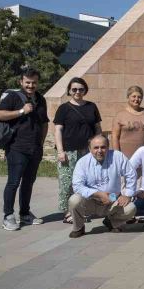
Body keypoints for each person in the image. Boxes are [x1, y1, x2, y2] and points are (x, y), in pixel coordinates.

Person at [0, 68, 49, 231]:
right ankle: (8, 216)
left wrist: (41, 143)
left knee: (28, 183)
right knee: (13, 182)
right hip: (16, 147)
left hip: (35, 148)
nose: (31, 85)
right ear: (21, 82)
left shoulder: (41, 99)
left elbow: (44, 123)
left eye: (34, 83)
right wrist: (21, 111)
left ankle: (25, 214)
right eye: (28, 82)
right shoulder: (13, 96)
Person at [53, 77, 102, 224]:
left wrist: (99, 147)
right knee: (67, 182)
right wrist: (60, 151)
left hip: (88, 151)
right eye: (74, 89)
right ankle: (68, 212)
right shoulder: (64, 108)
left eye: (81, 89)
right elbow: (58, 130)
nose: (77, 92)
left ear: (85, 90)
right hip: (68, 151)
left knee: (87, 181)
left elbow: (97, 128)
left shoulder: (91, 106)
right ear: (69, 90)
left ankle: (83, 210)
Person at [68, 134, 137, 238]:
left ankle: (112, 222)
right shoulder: (82, 162)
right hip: (90, 199)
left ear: (108, 147)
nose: (100, 150)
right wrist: (99, 194)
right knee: (74, 200)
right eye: (96, 147)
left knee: (130, 208)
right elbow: (77, 186)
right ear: (90, 149)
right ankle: (79, 227)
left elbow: (131, 174)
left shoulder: (117, 156)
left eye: (103, 147)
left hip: (112, 197)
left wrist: (127, 195)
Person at [112, 85, 144, 159]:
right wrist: (117, 155)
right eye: (134, 96)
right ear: (128, 97)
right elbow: (115, 137)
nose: (136, 99)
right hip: (125, 157)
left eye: (139, 97)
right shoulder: (120, 115)